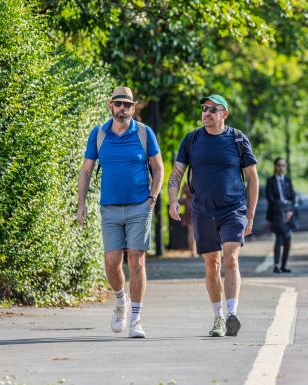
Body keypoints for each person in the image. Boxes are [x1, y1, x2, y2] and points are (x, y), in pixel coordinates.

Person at [168, 94, 259, 337]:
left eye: (212, 109)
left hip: (233, 209)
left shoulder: (237, 139)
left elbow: (252, 177)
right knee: (212, 263)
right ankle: (218, 317)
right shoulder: (192, 140)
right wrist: (173, 200)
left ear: (224, 114)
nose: (206, 113)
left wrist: (250, 214)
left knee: (230, 257)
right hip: (203, 211)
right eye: (204, 109)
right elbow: (177, 173)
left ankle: (232, 314)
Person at [77, 86, 164, 338]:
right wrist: (81, 204)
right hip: (110, 208)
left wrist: (152, 198)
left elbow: (157, 168)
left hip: (140, 206)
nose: (122, 108)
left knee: (136, 259)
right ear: (110, 105)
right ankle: (120, 300)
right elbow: (86, 171)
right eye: (118, 104)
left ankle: (136, 319)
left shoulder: (145, 133)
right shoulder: (98, 134)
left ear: (133, 108)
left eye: (127, 105)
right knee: (111, 262)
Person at [265, 157, 296, 273]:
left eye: (283, 165)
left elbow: (293, 198)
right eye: (279, 165)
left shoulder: (287, 181)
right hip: (277, 215)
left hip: (289, 214)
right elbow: (270, 198)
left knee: (288, 240)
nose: (281, 167)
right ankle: (276, 265)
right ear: (275, 166)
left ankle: (284, 265)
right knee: (279, 238)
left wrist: (290, 211)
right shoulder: (270, 181)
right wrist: (281, 211)